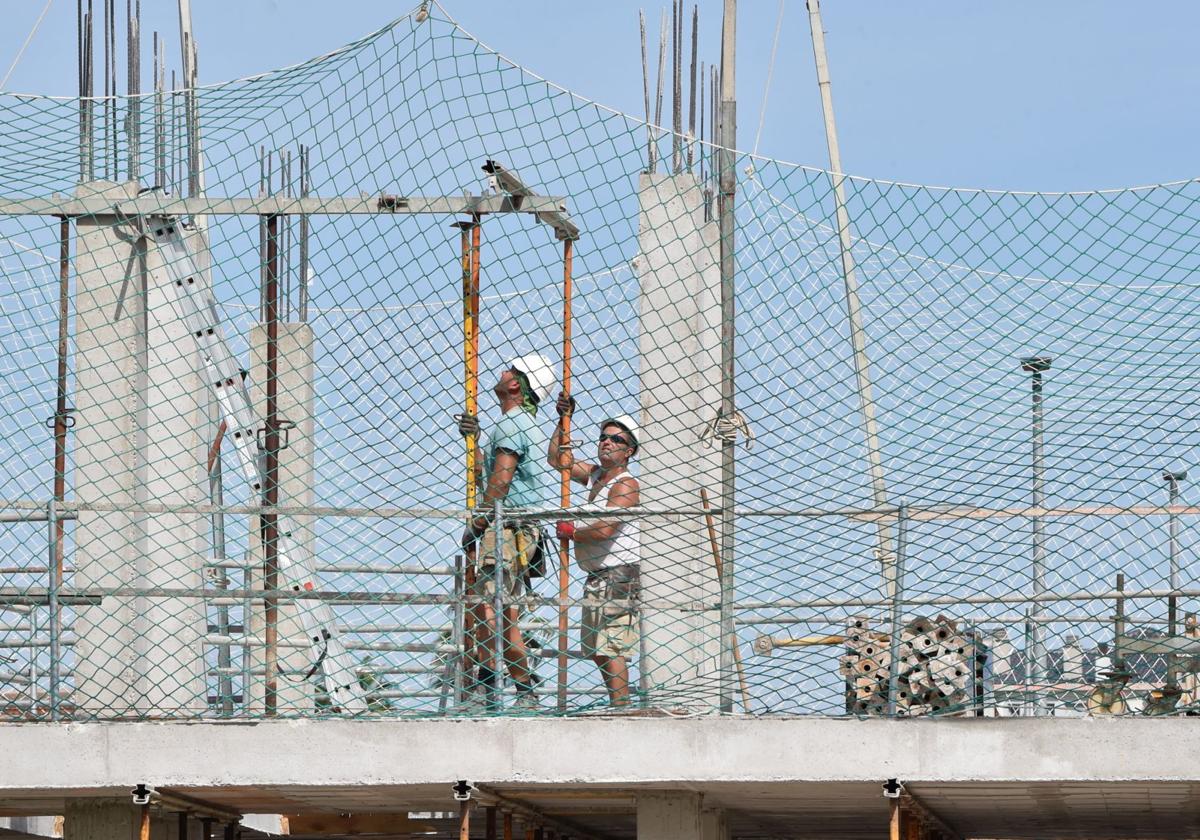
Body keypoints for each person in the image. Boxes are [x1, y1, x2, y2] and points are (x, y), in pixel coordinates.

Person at [458, 353, 555, 711]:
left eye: (509, 370)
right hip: (513, 528)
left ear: (516, 384)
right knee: (498, 610)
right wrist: (478, 439)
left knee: (490, 609)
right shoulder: (516, 424)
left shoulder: (512, 426)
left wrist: (477, 525)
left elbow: (499, 483)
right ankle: (511, 689)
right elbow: (496, 474)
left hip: (505, 527)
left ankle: (500, 689)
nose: (501, 373)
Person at [549, 393, 641, 706]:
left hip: (619, 575)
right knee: (597, 647)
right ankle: (619, 703)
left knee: (612, 644)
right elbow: (557, 460)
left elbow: (606, 528)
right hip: (598, 574)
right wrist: (563, 420)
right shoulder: (596, 477)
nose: (606, 442)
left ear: (628, 452)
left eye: (616, 440)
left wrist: (572, 532)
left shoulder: (626, 484)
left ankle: (621, 705)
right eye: (603, 437)